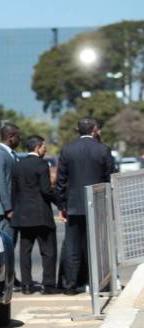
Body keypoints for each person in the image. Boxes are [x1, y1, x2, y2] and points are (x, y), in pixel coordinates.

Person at [56, 118, 115, 295]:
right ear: (94, 129)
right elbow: (110, 178)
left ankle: (70, 286)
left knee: (73, 247)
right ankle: (99, 284)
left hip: (74, 205)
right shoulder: (103, 149)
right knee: (98, 246)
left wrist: (62, 205)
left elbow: (61, 181)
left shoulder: (67, 149)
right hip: (97, 204)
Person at [11, 136, 61, 295]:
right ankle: (48, 285)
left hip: (23, 216)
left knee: (25, 252)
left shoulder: (17, 165)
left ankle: (26, 285)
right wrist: (60, 203)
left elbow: (14, 191)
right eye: (44, 146)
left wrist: (14, 210)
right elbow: (46, 190)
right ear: (37, 147)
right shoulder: (41, 164)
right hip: (41, 215)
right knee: (48, 251)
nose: (45, 149)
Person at [0, 122, 22, 289]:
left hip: (14, 209)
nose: (20, 139)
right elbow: (1, 183)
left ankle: (11, 277)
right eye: (18, 136)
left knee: (11, 245)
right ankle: (4, 280)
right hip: (7, 211)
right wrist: (8, 208)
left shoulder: (10, 154)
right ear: (10, 137)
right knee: (6, 246)